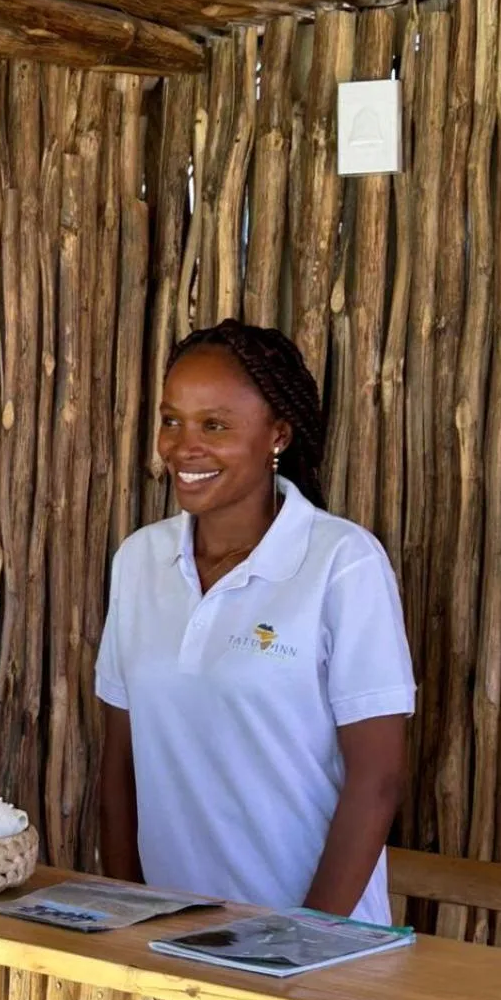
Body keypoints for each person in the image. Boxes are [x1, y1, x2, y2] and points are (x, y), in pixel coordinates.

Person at [96, 319, 415, 924]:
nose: (184, 446)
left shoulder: (341, 564)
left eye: (214, 425)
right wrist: (132, 916)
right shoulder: (140, 561)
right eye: (172, 421)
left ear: (278, 436)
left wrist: (303, 941)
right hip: (172, 942)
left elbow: (377, 778)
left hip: (314, 956)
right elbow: (120, 765)